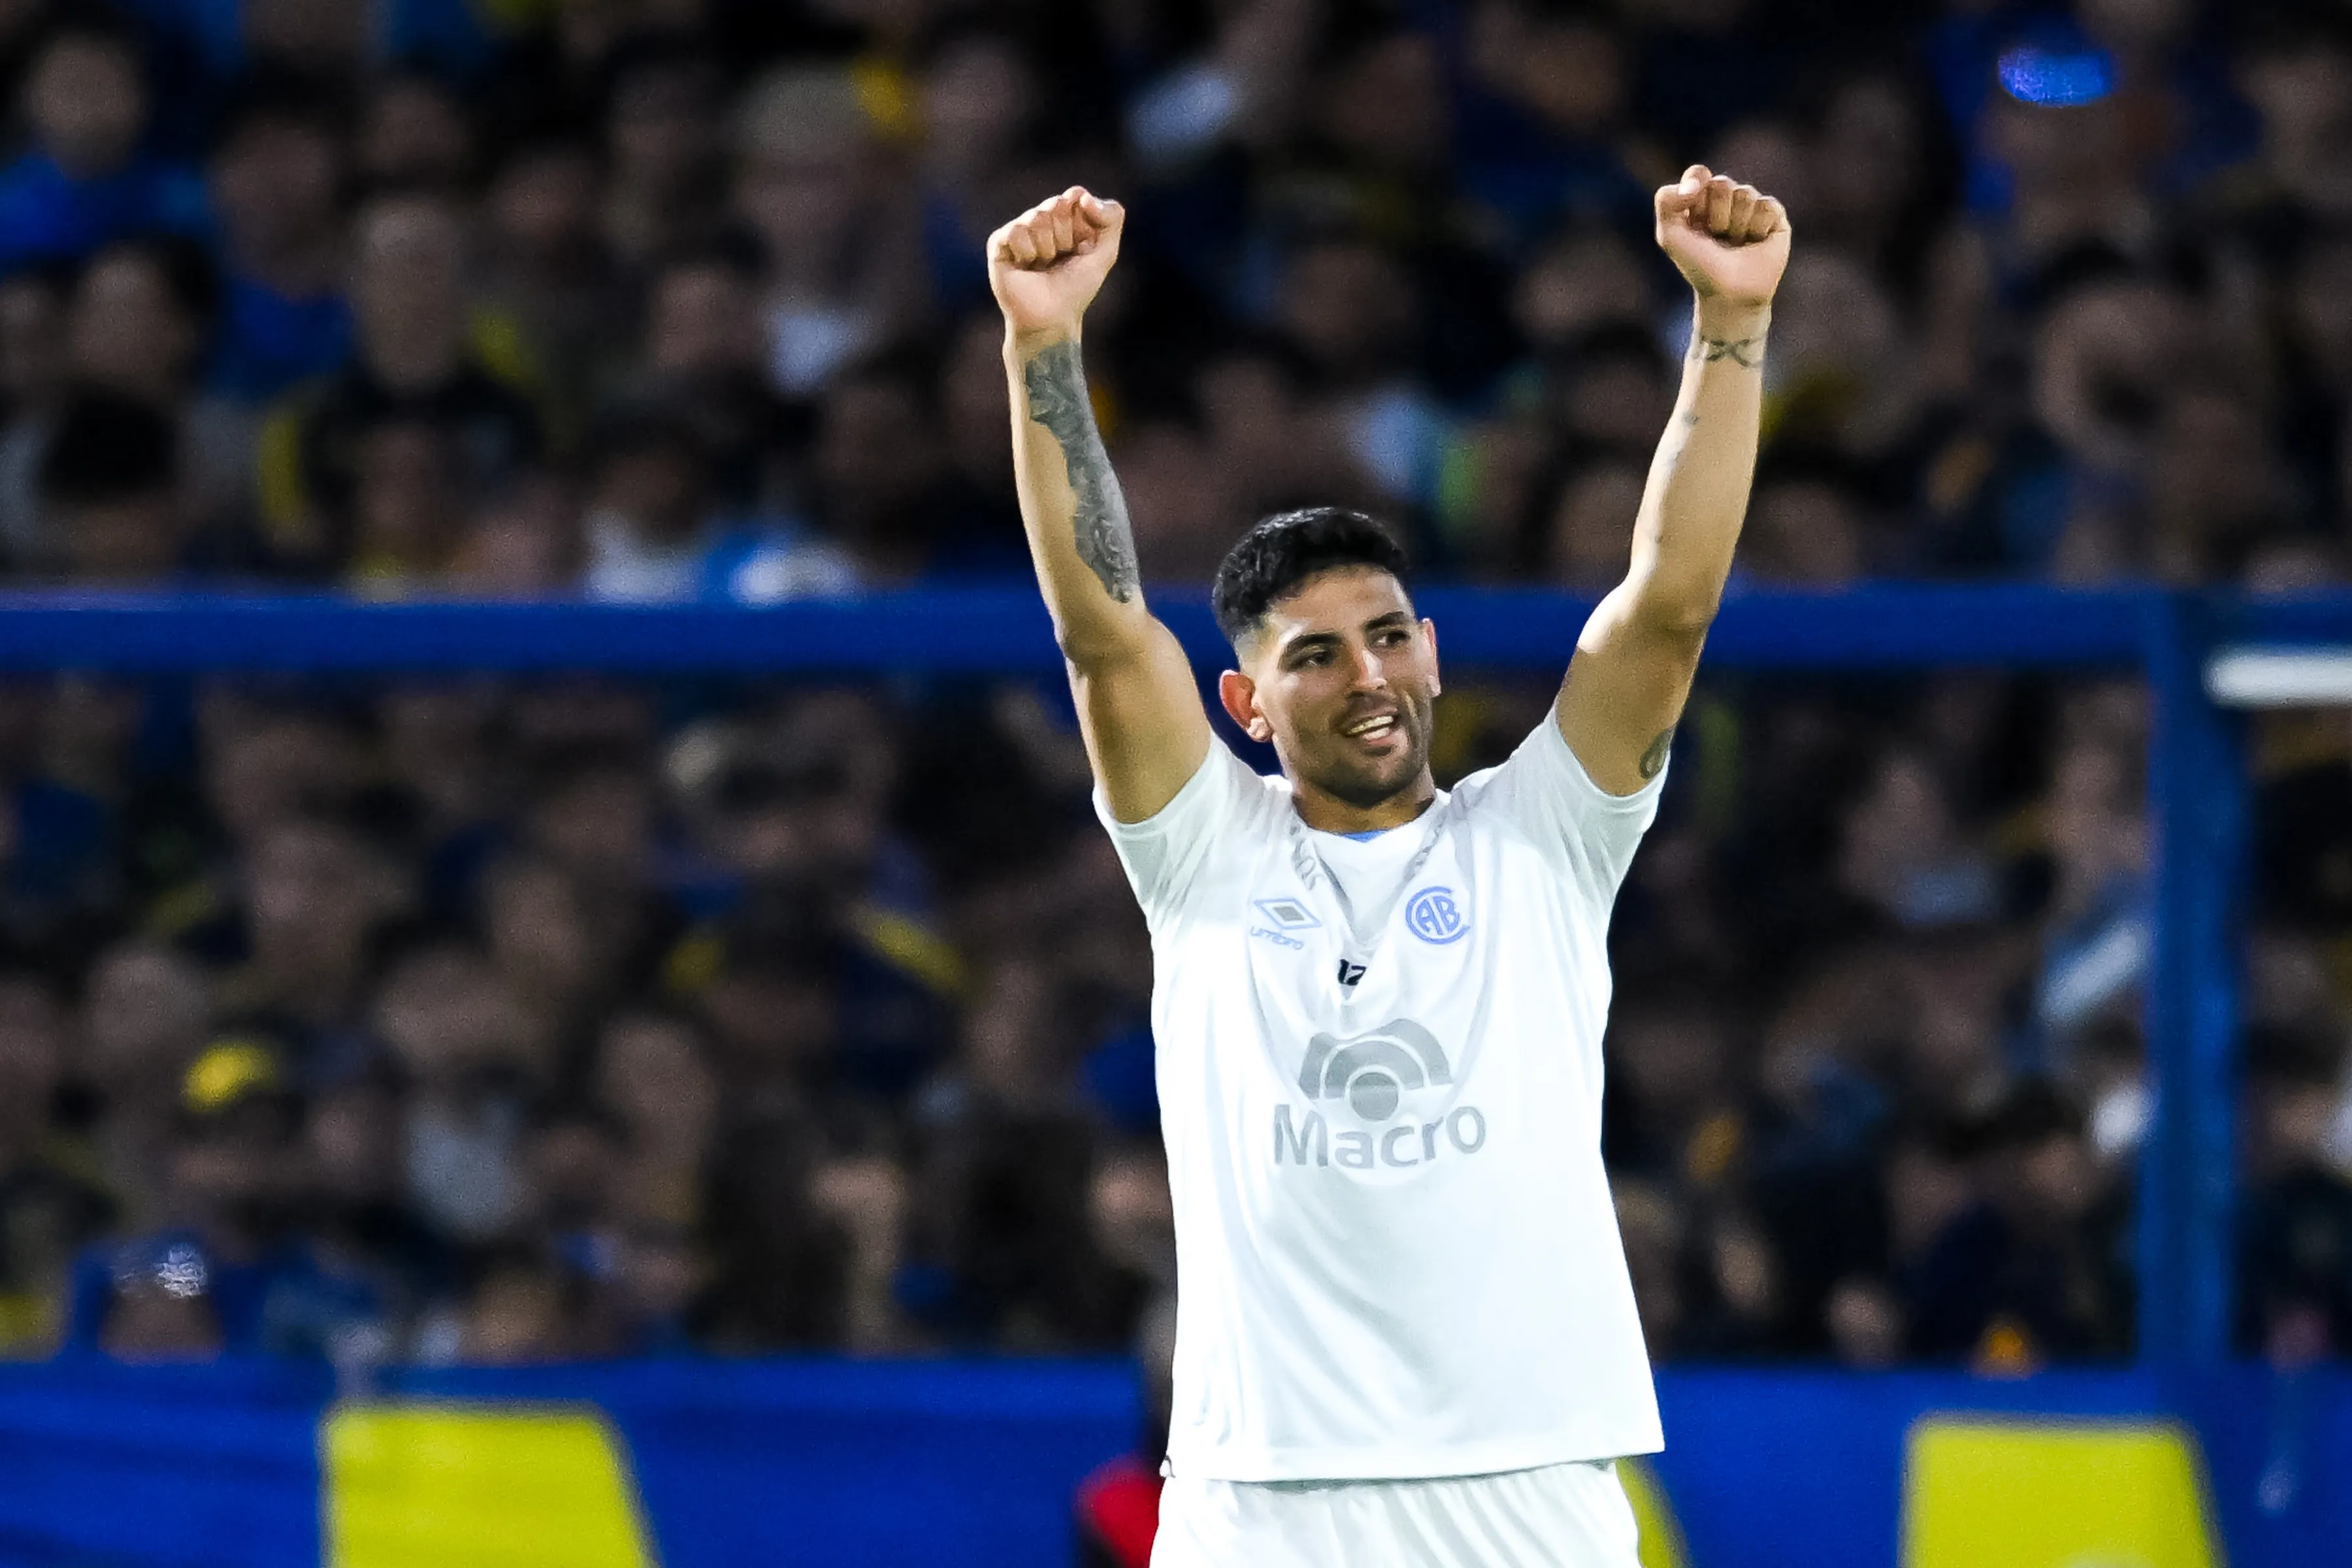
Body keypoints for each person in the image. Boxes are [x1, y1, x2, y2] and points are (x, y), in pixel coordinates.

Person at [988, 169, 1787, 1567]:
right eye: (1313, 653)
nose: (1369, 673)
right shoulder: (1203, 855)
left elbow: (1668, 599)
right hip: (1259, 1503)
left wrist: (1730, 326)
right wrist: (1043, 349)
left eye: (1391, 634)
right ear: (1246, 706)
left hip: (1526, 1497)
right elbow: (1104, 629)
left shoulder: (1545, 838)